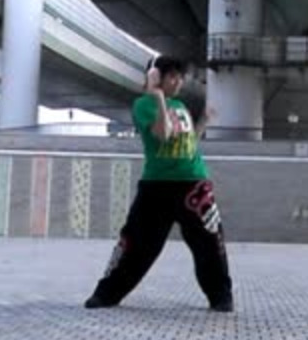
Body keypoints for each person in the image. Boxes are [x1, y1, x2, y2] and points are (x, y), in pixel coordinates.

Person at [84, 56, 233, 312]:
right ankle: (106, 294)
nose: (178, 82)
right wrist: (157, 95)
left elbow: (187, 144)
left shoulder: (181, 106)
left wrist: (203, 122)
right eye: (172, 76)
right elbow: (163, 134)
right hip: (157, 186)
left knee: (210, 242)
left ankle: (221, 297)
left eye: (180, 77)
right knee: (135, 244)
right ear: (155, 76)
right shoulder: (143, 105)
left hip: (193, 184)